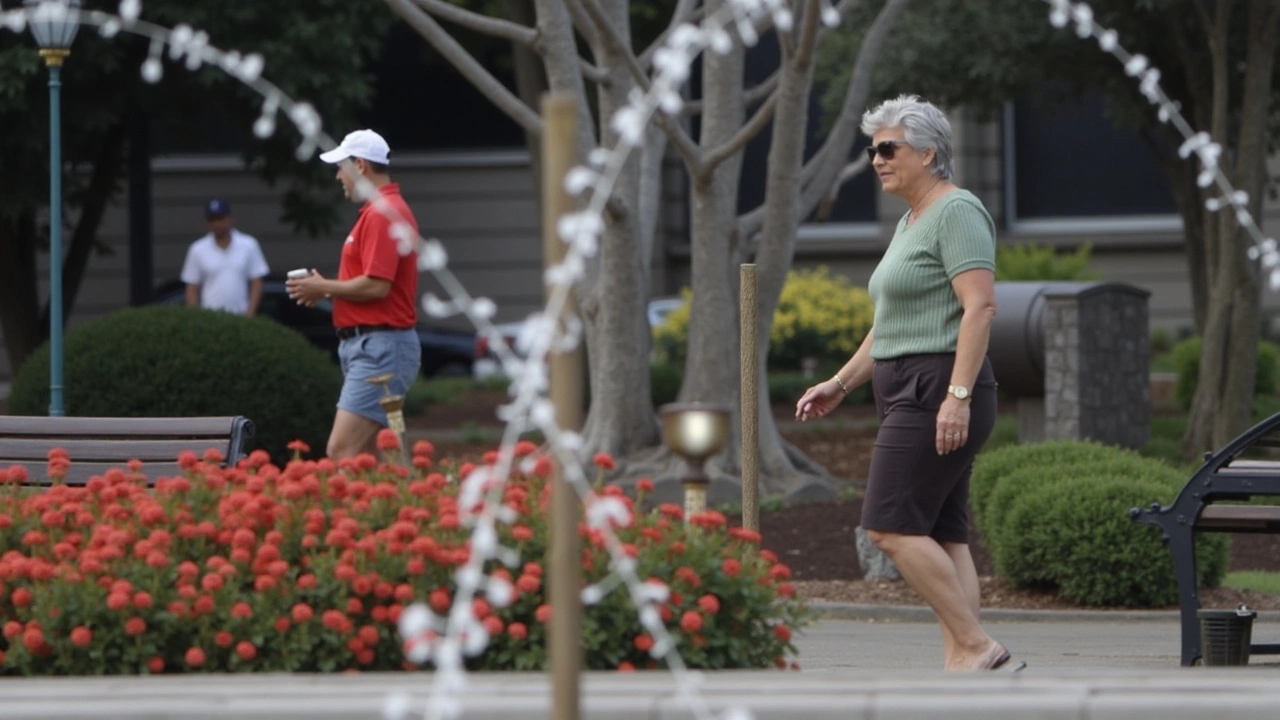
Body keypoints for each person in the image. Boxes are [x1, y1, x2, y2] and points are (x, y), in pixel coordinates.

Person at [794, 95, 1010, 672]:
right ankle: (962, 662)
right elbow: (890, 326)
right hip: (911, 383)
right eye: (872, 150)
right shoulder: (913, 220)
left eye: (888, 148)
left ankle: (975, 645)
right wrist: (840, 383)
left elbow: (980, 308)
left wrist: (956, 397)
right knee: (946, 536)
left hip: (937, 384)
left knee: (886, 525)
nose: (876, 159)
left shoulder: (956, 210)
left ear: (928, 151)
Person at [286, 129, 421, 460]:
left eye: (340, 167)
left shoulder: (382, 213)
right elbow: (373, 283)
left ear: (360, 166)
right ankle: (386, 511)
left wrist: (324, 288)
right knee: (380, 456)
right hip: (374, 346)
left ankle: (355, 512)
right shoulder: (380, 211)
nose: (337, 176)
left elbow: (377, 286)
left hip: (380, 349)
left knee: (341, 449)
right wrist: (326, 289)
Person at [180, 198, 269, 316]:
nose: (216, 224)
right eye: (212, 220)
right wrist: (197, 318)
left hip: (241, 317)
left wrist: (250, 314)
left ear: (230, 219)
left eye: (220, 219)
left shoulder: (249, 245)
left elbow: (257, 282)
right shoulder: (197, 249)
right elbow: (191, 288)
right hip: (210, 318)